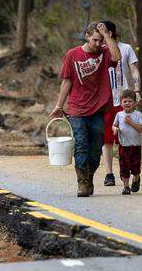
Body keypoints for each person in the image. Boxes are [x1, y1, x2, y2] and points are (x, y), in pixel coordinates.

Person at [51, 22, 121, 197]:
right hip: (77, 109)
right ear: (87, 36)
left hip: (99, 108)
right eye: (95, 40)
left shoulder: (105, 53)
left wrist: (107, 36)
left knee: (96, 147)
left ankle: (89, 176)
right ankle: (82, 182)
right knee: (81, 144)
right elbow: (66, 81)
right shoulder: (72, 55)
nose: (98, 44)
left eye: (100, 41)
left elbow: (117, 56)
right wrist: (59, 106)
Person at [98, 20, 140, 188]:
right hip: (106, 100)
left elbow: (134, 70)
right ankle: (109, 173)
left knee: (126, 137)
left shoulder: (126, 48)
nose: (102, 37)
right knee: (107, 138)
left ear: (112, 33)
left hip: (124, 99)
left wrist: (137, 91)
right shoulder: (99, 50)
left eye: (104, 33)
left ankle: (130, 171)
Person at [111, 89, 142, 195]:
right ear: (121, 103)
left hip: (135, 146)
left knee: (136, 167)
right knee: (124, 167)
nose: (127, 103)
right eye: (125, 101)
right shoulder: (119, 115)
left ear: (135, 103)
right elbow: (114, 125)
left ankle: (136, 179)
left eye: (130, 101)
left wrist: (131, 123)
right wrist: (115, 130)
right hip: (123, 146)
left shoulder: (138, 115)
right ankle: (126, 187)